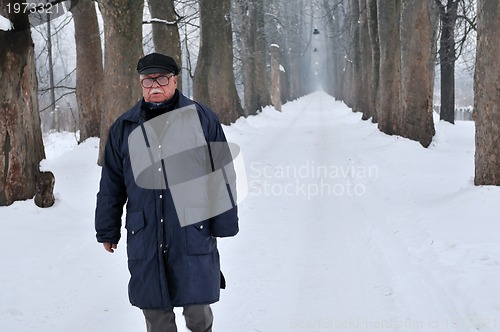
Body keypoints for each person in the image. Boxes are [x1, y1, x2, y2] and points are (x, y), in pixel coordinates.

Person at [95, 52, 239, 332]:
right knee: (156, 314)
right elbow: (111, 183)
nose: (155, 86)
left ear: (175, 81)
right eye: (148, 81)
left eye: (161, 79)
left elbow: (221, 173)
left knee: (198, 310)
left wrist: (223, 223)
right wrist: (107, 229)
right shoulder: (124, 128)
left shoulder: (202, 119)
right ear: (140, 84)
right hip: (145, 233)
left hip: (191, 230)